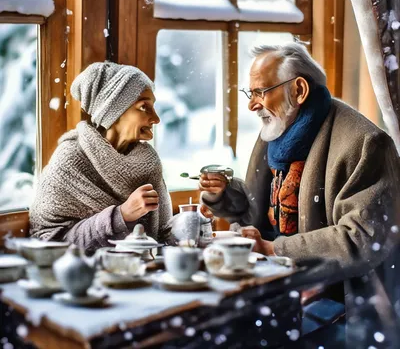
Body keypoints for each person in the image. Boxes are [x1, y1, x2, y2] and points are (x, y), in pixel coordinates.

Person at [200, 43, 400, 299]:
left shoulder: (366, 143)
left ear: (299, 90)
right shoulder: (277, 128)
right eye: (249, 93)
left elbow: (362, 238)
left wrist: (275, 249)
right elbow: (256, 208)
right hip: (279, 281)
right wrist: (223, 194)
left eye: (260, 92)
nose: (252, 105)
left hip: (342, 298)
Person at [30, 62, 172, 253]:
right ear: (114, 112)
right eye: (144, 107)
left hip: (141, 273)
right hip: (87, 277)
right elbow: (47, 241)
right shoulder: (69, 162)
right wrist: (121, 216)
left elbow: (163, 233)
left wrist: (195, 220)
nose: (156, 118)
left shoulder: (148, 163)